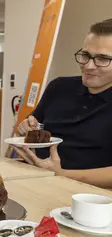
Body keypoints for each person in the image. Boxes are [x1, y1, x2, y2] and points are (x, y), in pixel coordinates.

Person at [14, 18, 112, 189]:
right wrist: (26, 127)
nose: (88, 66)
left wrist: (62, 174)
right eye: (85, 55)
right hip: (31, 179)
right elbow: (31, 125)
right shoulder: (59, 87)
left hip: (89, 195)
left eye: (103, 59)